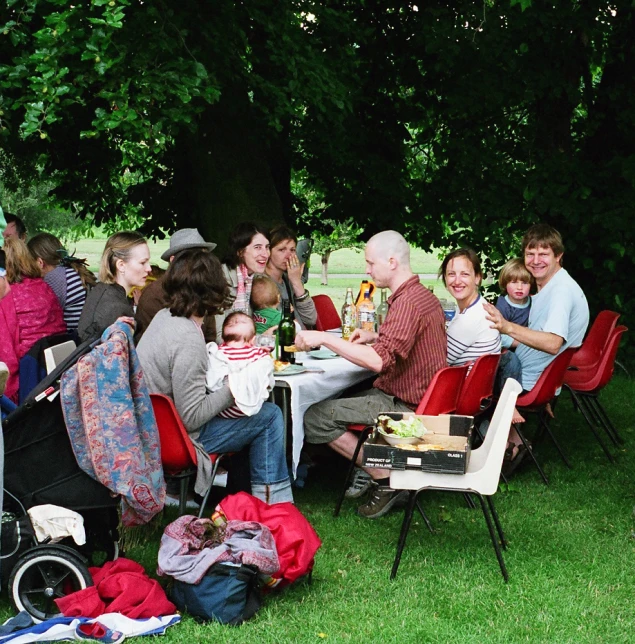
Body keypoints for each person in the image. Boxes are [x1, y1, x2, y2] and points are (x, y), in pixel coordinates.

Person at [294, 230, 446, 519]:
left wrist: (324, 338)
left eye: (370, 263)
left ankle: (386, 478)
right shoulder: (422, 296)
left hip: (408, 408)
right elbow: (401, 343)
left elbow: (377, 362)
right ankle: (380, 472)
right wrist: (375, 335)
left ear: (391, 262)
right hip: (425, 401)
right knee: (342, 395)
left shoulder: (407, 304)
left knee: (313, 416)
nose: (366, 269)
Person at [137, 249, 293, 504]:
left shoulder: (164, 317)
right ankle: (271, 504)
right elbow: (192, 417)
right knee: (269, 415)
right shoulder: (187, 337)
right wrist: (237, 385)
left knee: (254, 413)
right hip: (178, 441)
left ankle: (239, 498)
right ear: (213, 289)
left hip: (154, 431)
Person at [484, 223, 589, 471]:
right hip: (540, 377)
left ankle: (503, 444)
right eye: (530, 254)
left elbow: (553, 343)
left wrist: (506, 327)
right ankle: (514, 439)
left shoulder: (561, 292)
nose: (535, 260)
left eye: (544, 254)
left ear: (558, 256)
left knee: (466, 378)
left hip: (529, 381)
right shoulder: (550, 287)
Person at [0, 237, 66, 401]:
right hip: (52, 375)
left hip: (25, 380)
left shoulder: (7, 296)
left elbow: (6, 357)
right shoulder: (43, 287)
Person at [135, 228, 217, 342]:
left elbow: (210, 337)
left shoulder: (204, 287)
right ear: (173, 261)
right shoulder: (153, 295)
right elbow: (152, 346)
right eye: (192, 257)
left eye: (202, 256)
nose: (200, 262)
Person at [77, 231, 151, 342]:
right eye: (142, 262)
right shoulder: (117, 309)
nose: (149, 268)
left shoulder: (101, 290)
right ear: (121, 265)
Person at [206, 312, 274, 418]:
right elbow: (269, 380)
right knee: (273, 410)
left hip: (224, 411)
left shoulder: (218, 353)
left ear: (223, 338)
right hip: (251, 407)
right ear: (253, 340)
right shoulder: (257, 353)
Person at [440, 248, 501, 366]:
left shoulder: (470, 318)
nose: (457, 281)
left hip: (462, 383)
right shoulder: (479, 306)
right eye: (451, 274)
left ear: (477, 278)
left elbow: (436, 361)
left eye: (465, 274)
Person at [28, 233, 96, 334]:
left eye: (29, 263)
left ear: (40, 262)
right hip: (86, 336)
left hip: (74, 340)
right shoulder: (69, 271)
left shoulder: (53, 278)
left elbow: (41, 317)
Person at [214, 222, 270, 342]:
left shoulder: (255, 279)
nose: (265, 254)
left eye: (267, 247)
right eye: (258, 247)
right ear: (240, 252)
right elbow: (219, 336)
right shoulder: (221, 278)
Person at [264, 225, 317, 329]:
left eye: (292, 250)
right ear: (268, 251)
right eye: (282, 250)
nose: (289, 256)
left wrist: (296, 282)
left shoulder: (290, 278)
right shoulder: (262, 283)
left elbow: (310, 319)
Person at [495, 258, 534, 349]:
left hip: (530, 346)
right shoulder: (503, 306)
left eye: (524, 283)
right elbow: (497, 335)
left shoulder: (533, 302)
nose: (519, 287)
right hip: (508, 350)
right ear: (505, 284)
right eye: (514, 282)